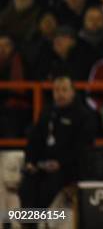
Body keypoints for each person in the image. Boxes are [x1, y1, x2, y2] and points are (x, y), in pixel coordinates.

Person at [19, 75, 96, 209]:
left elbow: (82, 148)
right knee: (27, 184)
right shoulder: (47, 112)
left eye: (64, 90)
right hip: (44, 164)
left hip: (69, 167)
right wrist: (30, 161)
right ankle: (29, 222)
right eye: (56, 90)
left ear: (73, 92)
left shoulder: (83, 116)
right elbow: (34, 140)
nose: (60, 94)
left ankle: (34, 219)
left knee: (48, 186)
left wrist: (60, 163)